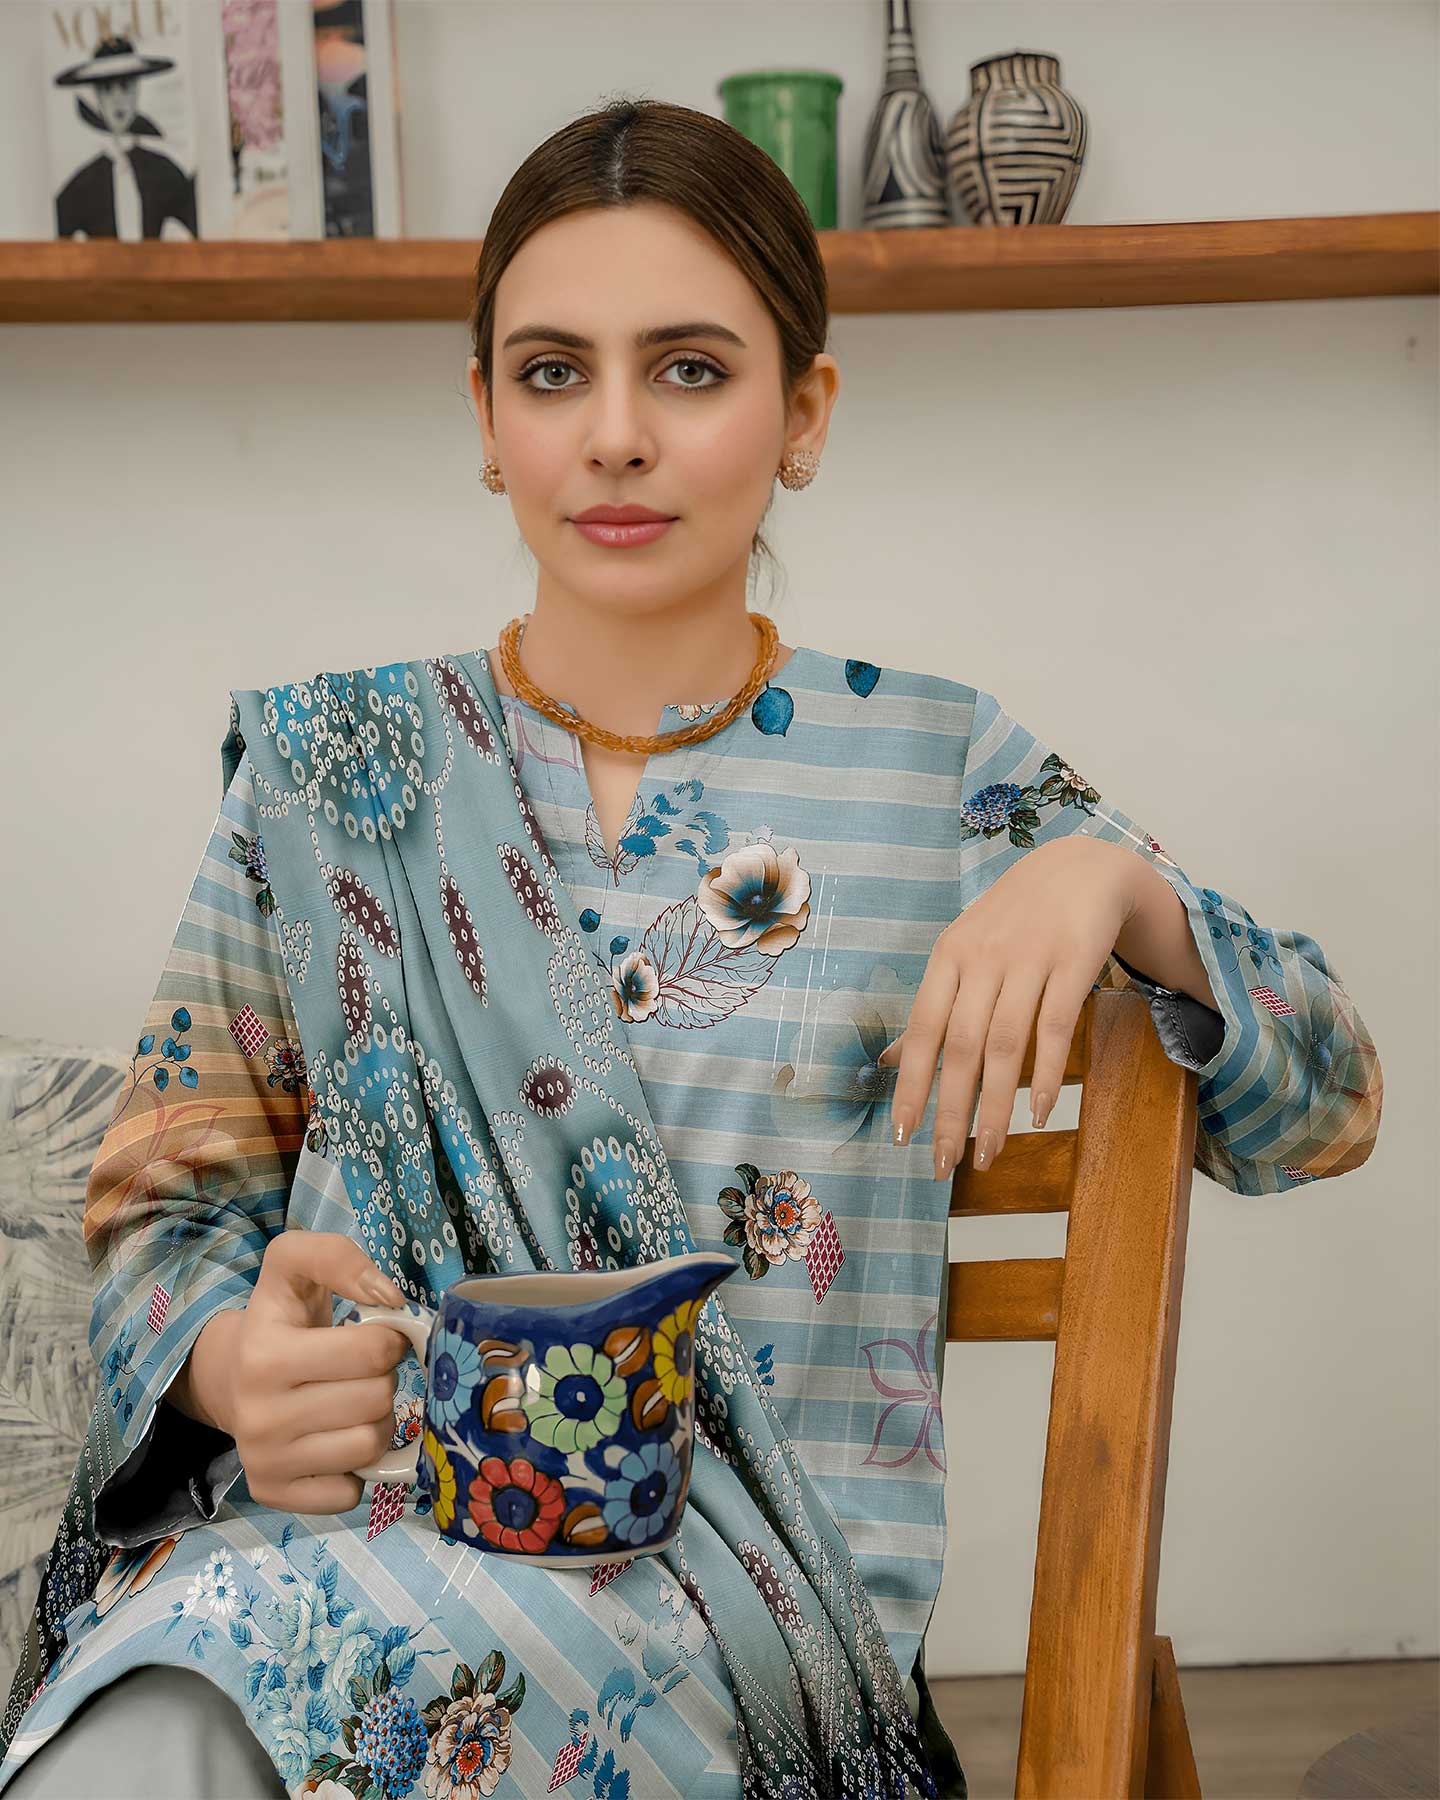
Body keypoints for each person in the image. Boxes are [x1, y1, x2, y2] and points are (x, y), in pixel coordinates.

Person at [0, 96, 1382, 1800]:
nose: (615, 438)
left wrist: (1113, 884)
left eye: (690, 370)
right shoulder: (333, 779)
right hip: (314, 1571)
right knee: (162, 1709)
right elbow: (164, 1220)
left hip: (739, 1658)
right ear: (487, 421)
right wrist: (236, 1367)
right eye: (552, 373)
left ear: (804, 414)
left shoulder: (935, 771)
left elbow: (1324, 1102)